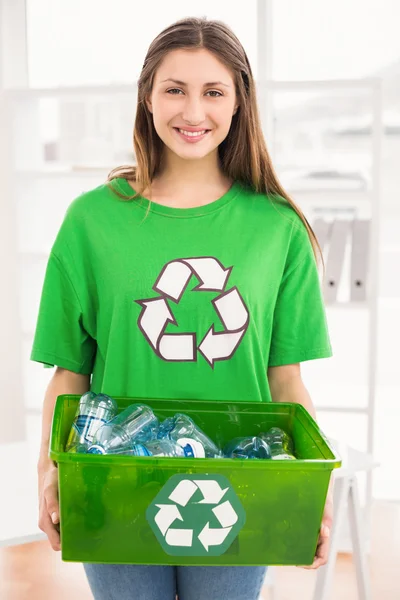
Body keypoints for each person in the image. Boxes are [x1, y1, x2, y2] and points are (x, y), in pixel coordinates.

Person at [33, 16, 334, 600]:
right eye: (175, 89)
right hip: (115, 476)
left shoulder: (278, 228)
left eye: (213, 91)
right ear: (147, 97)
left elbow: (286, 381)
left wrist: (308, 493)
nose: (193, 112)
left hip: (239, 481)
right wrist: (47, 472)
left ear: (239, 101)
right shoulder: (91, 222)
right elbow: (69, 373)